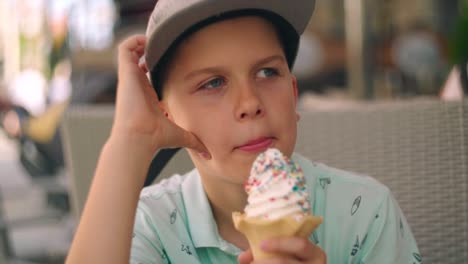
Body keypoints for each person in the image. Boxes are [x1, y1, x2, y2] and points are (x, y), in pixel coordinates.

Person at [66, 1, 420, 263]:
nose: (249, 102)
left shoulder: (366, 212)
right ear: (167, 115)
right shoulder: (147, 226)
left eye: (267, 73)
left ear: (293, 94)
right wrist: (131, 137)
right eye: (213, 82)